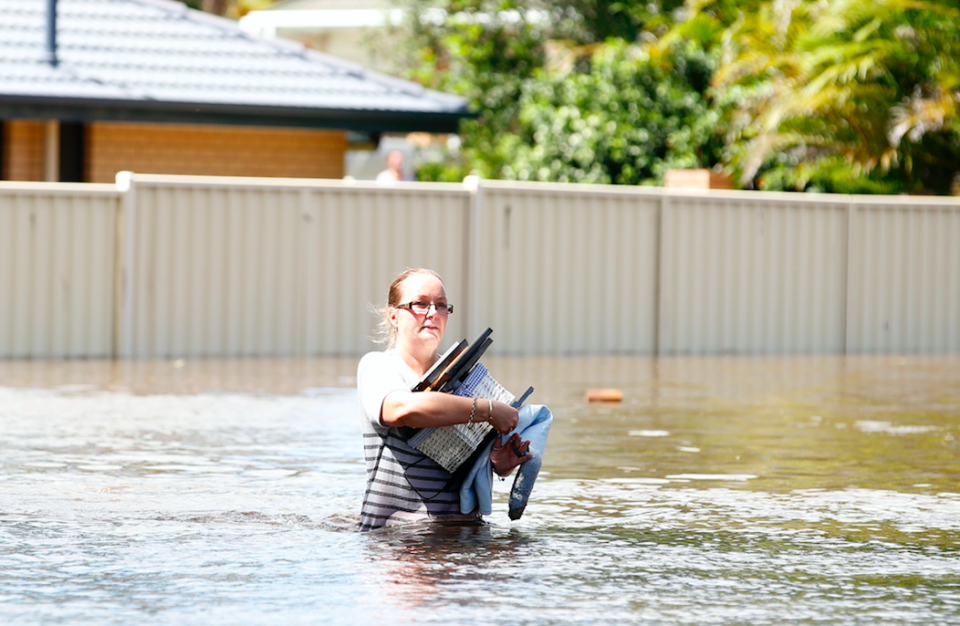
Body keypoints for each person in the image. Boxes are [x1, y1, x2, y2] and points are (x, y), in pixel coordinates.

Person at [357, 268, 531, 532]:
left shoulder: (467, 378)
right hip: (397, 541)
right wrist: (487, 409)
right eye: (420, 304)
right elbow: (402, 409)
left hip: (464, 534)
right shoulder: (378, 366)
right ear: (394, 315)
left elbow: (464, 460)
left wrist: (497, 462)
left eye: (440, 306)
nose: (432, 313)